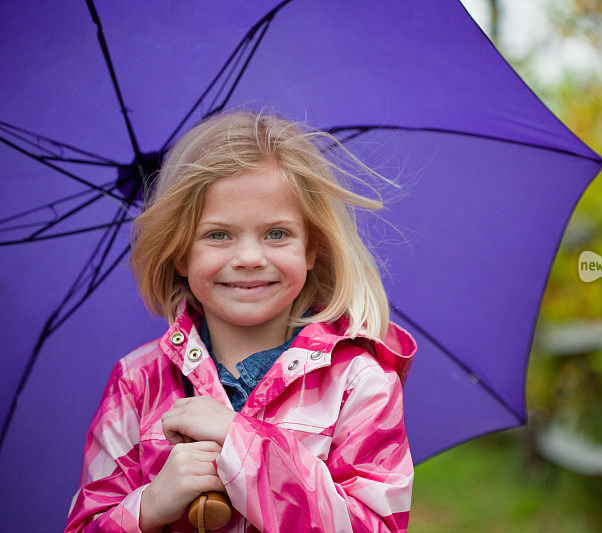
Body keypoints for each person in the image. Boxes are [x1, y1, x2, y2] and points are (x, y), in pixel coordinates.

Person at [65, 110, 416, 532]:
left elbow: (375, 526)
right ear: (180, 252)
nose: (249, 258)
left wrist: (242, 446)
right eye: (218, 234)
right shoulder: (138, 383)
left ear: (310, 249)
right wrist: (149, 507)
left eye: (276, 233)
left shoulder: (359, 383)